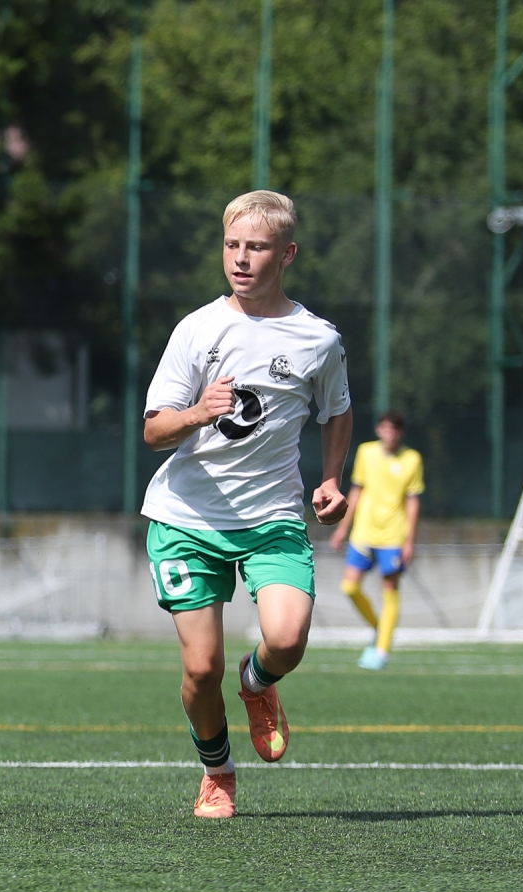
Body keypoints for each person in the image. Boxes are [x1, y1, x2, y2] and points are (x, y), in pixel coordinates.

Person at [142, 190, 353, 820]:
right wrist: (196, 413)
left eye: (256, 247)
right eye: (232, 245)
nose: (240, 258)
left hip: (272, 519)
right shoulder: (196, 329)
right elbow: (153, 430)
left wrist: (333, 478)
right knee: (200, 669)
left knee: (286, 640)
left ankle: (257, 683)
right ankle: (217, 773)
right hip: (187, 518)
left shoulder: (318, 339)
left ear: (286, 254)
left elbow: (337, 410)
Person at [328, 411, 423, 671]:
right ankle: (381, 630)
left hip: (393, 536)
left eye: (395, 429)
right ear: (379, 430)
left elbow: (412, 501)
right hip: (363, 533)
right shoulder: (366, 452)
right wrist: (342, 529)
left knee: (389, 590)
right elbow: (357, 490)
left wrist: (409, 541)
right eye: (385, 428)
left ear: (401, 433)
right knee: (349, 587)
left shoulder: (412, 459)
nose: (389, 433)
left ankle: (381, 650)